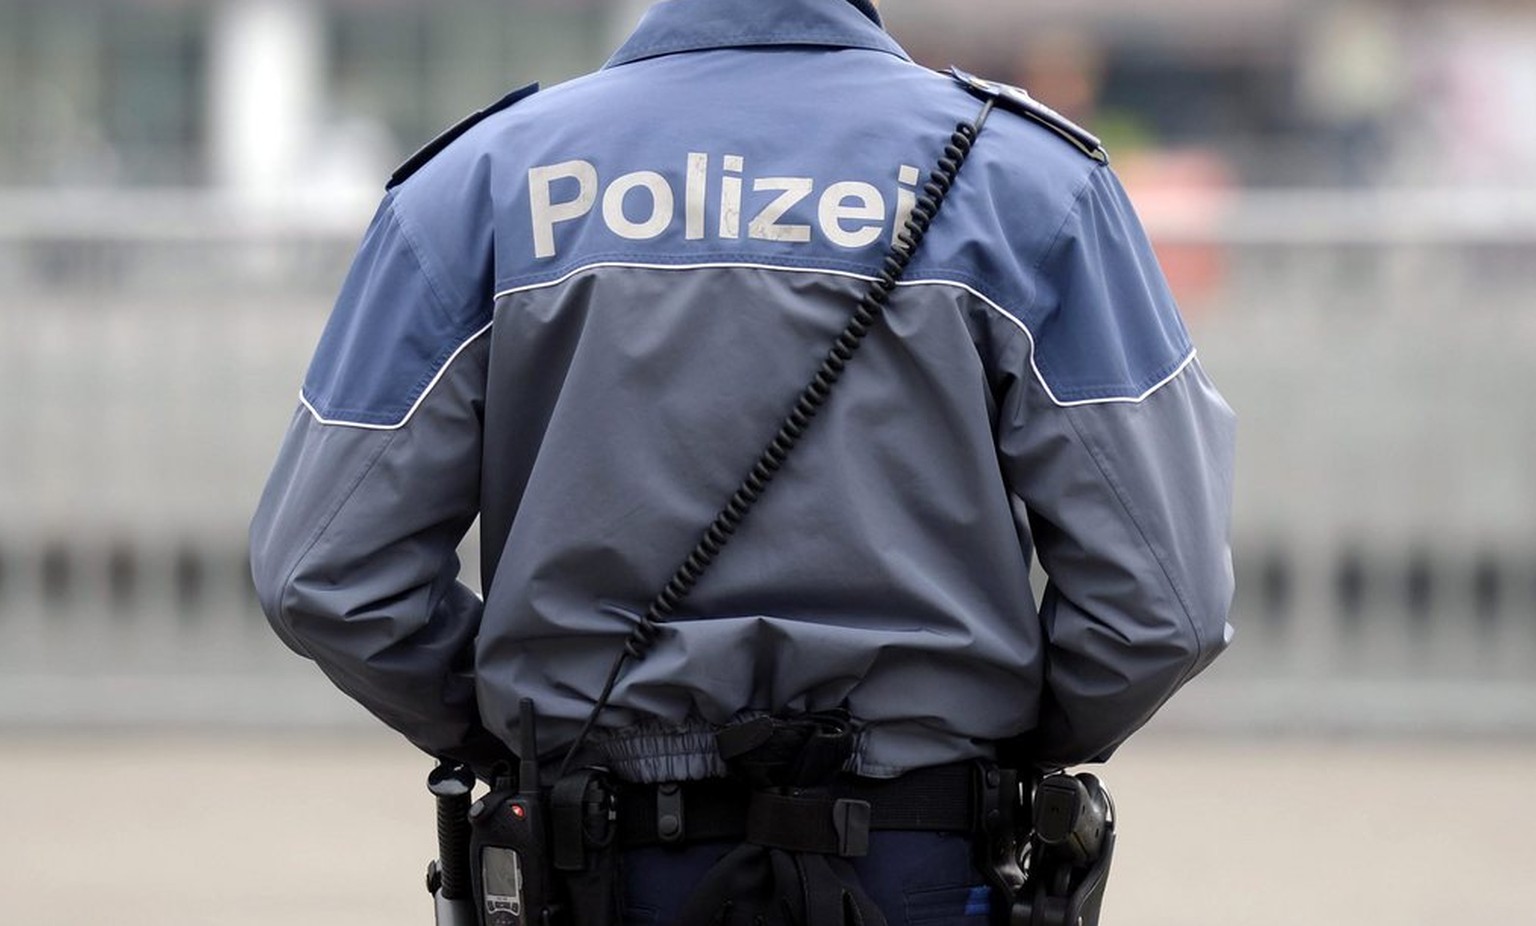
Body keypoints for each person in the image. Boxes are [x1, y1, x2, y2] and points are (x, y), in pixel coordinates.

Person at [250, 0, 1235, 923]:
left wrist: (511, 727)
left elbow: (324, 569)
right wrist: (984, 747)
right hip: (918, 863)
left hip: (595, 864)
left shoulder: (485, 183)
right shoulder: (1029, 184)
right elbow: (1166, 602)